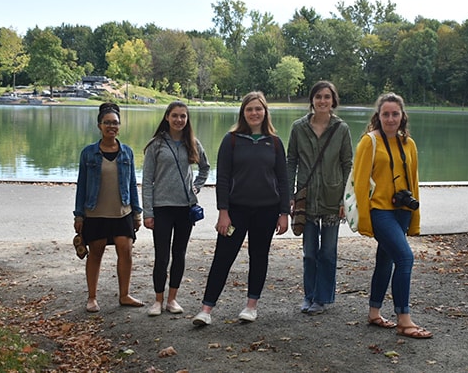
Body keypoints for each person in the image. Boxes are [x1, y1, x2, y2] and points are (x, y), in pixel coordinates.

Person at [192, 91, 290, 326]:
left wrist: (284, 213)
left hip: (266, 210)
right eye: (249, 109)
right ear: (243, 113)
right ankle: (206, 310)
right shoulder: (232, 139)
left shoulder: (274, 142)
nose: (254, 113)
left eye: (258, 109)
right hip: (236, 211)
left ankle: (251, 306)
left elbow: (283, 179)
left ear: (265, 112)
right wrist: (223, 212)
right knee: (223, 258)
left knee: (258, 257)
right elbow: (223, 178)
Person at [352, 92, 432, 338]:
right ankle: (404, 320)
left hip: (402, 212)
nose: (390, 118)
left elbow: (414, 182)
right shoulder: (370, 141)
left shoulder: (409, 144)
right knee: (405, 258)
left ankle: (374, 313)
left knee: (386, 260)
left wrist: (414, 218)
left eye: (395, 114)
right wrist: (365, 220)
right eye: (385, 114)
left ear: (402, 116)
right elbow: (360, 183)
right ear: (378, 116)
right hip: (380, 211)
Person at [286, 81, 352, 315]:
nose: (322, 101)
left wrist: (346, 199)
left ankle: (322, 298)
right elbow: (291, 161)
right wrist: (289, 195)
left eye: (327, 97)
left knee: (328, 251)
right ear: (312, 100)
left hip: (333, 198)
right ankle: (309, 295)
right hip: (307, 196)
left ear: (333, 101)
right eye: (318, 97)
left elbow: (348, 165)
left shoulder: (341, 129)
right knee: (310, 251)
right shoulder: (298, 128)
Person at [73, 102, 144, 313]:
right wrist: (79, 215)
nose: (111, 127)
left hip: (122, 211)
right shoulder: (88, 153)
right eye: (107, 123)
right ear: (99, 125)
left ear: (120, 126)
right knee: (96, 253)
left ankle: (124, 295)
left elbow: (132, 183)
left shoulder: (127, 153)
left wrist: (137, 212)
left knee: (126, 251)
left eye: (115, 123)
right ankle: (92, 297)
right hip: (95, 212)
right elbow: (82, 185)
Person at [142, 101, 210, 317]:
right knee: (161, 255)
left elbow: (205, 167)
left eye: (183, 116)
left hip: (184, 208)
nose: (179, 120)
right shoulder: (156, 145)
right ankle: (157, 300)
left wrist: (197, 186)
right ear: (167, 117)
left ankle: (172, 299)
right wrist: (148, 212)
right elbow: (146, 181)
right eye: (175, 116)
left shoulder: (193, 143)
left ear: (187, 119)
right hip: (162, 207)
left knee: (179, 254)